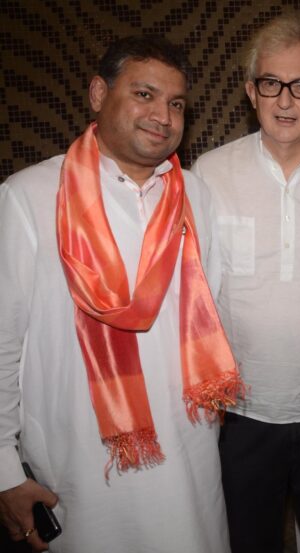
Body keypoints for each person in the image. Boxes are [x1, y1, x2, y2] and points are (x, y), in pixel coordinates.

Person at [0, 36, 242, 553]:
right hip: (82, 468)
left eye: (176, 104)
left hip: (190, 456)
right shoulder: (29, 197)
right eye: (145, 94)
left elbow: (214, 313)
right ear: (97, 94)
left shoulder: (195, 194)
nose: (163, 115)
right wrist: (3, 471)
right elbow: (2, 342)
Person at [191, 15, 300, 553]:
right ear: (251, 91)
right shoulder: (209, 174)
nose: (286, 100)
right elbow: (194, 292)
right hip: (240, 416)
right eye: (271, 83)